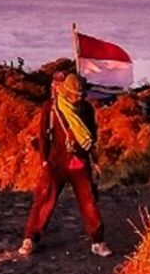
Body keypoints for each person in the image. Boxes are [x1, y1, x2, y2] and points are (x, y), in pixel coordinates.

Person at [20, 72, 112, 257]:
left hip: (79, 161)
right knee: (45, 199)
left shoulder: (86, 109)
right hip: (56, 161)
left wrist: (85, 147)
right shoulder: (52, 108)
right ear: (67, 92)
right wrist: (44, 160)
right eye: (76, 94)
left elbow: (92, 135)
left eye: (81, 94)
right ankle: (31, 238)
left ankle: (97, 240)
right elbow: (43, 136)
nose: (79, 97)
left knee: (88, 200)